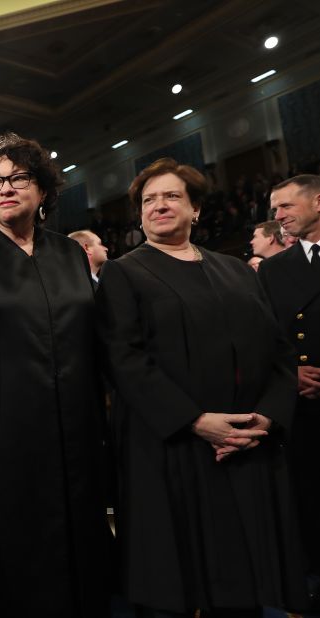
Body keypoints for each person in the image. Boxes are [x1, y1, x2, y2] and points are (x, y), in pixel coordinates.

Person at [98, 158, 307, 617]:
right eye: (149, 200)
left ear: (195, 208)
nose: (159, 206)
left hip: (245, 444)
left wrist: (266, 418)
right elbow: (124, 359)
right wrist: (195, 421)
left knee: (246, 586)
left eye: (172, 196)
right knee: (183, 588)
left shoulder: (236, 271)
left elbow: (278, 352)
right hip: (174, 449)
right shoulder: (124, 273)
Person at [0, 131, 112, 618]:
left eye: (19, 177)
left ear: (43, 190)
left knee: (83, 554)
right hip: (3, 436)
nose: (5, 187)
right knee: (14, 561)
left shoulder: (69, 252)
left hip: (79, 432)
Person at [259, 174, 320, 610]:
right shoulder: (275, 269)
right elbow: (262, 337)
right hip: (303, 409)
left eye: (285, 206)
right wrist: (289, 375)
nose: (277, 216)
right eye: (274, 209)